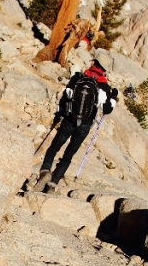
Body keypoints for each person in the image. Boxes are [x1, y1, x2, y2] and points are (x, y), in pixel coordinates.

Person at [35, 59, 118, 192]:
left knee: (54, 147)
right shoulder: (103, 86)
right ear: (103, 70)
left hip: (69, 120)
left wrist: (58, 114)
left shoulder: (79, 77)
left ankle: (45, 171)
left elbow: (65, 97)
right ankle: (53, 183)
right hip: (84, 126)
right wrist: (113, 97)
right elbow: (107, 110)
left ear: (93, 65)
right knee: (68, 154)